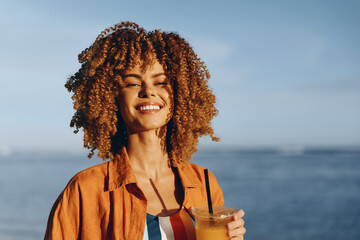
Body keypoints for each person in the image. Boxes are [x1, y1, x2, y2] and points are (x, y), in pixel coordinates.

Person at [45, 21, 246, 240]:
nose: (148, 91)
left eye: (161, 82)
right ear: (113, 97)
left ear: (178, 93)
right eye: (132, 83)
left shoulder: (204, 183)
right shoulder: (86, 189)